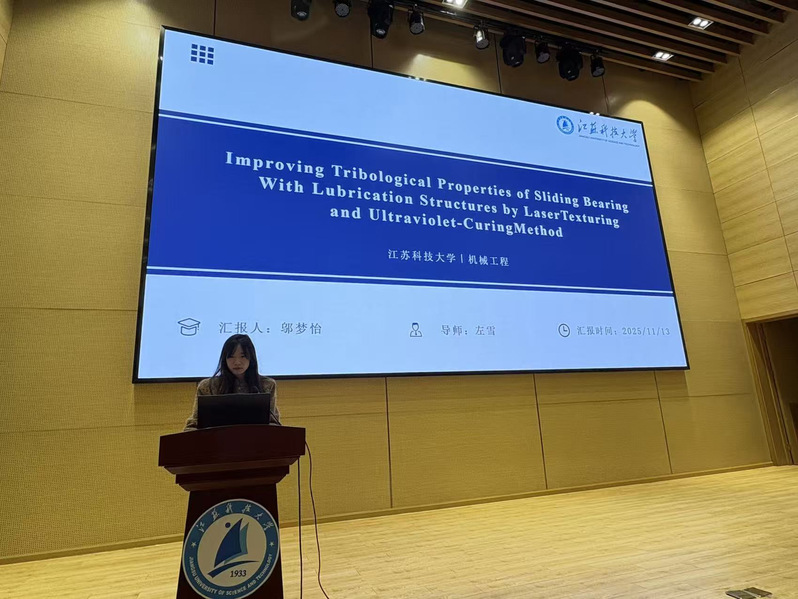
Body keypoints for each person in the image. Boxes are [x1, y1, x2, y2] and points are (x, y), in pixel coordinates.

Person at [183, 334, 281, 431]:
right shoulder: (207, 386)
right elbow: (193, 425)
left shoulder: (267, 385)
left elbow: (273, 424)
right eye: (231, 357)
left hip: (254, 439)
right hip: (216, 439)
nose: (237, 362)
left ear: (251, 358)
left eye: (243, 356)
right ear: (224, 359)